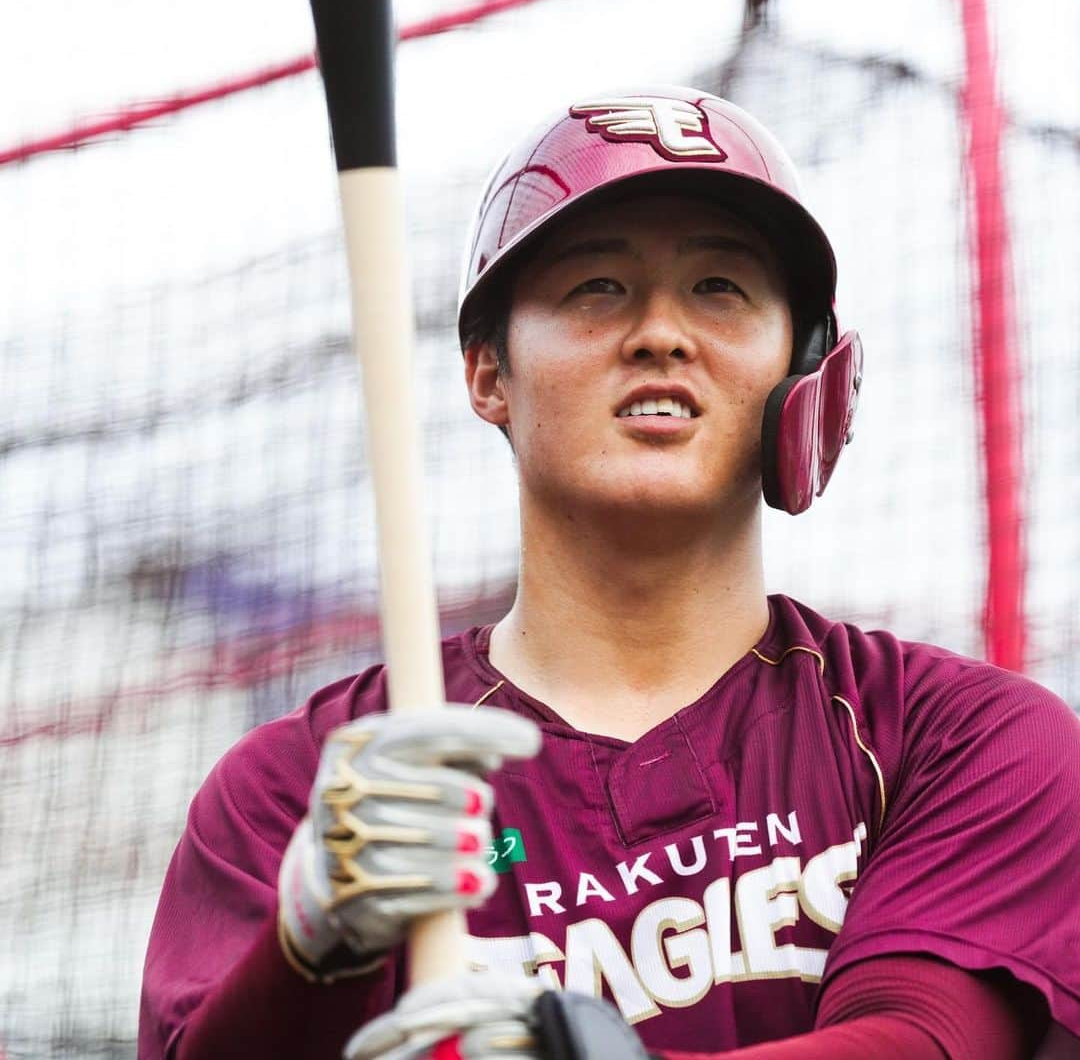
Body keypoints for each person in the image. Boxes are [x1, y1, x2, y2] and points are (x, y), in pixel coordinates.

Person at [139, 86, 1080, 1060]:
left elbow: (928, 1040)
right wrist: (306, 962)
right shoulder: (304, 792)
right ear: (488, 375)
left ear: (808, 370)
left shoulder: (959, 737)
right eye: (598, 287)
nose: (662, 334)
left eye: (722, 288)